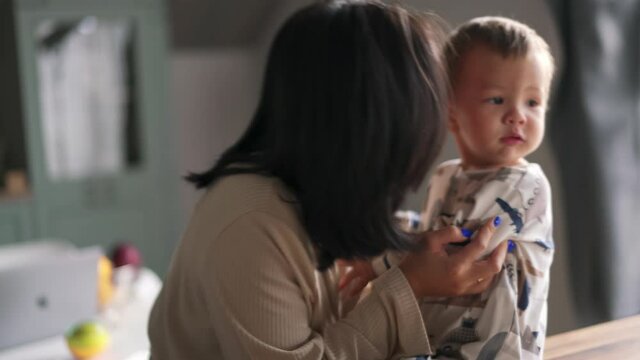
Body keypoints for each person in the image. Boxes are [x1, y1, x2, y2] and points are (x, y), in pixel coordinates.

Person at [147, 2, 508, 359]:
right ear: (375, 126)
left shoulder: (328, 192)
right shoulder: (253, 224)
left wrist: (408, 257)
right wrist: (409, 285)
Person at [342, 16, 556, 359]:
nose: (518, 115)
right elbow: (430, 227)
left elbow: (457, 241)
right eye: (497, 100)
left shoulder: (524, 185)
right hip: (437, 341)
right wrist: (379, 231)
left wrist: (379, 261)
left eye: (532, 102)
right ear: (450, 110)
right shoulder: (447, 175)